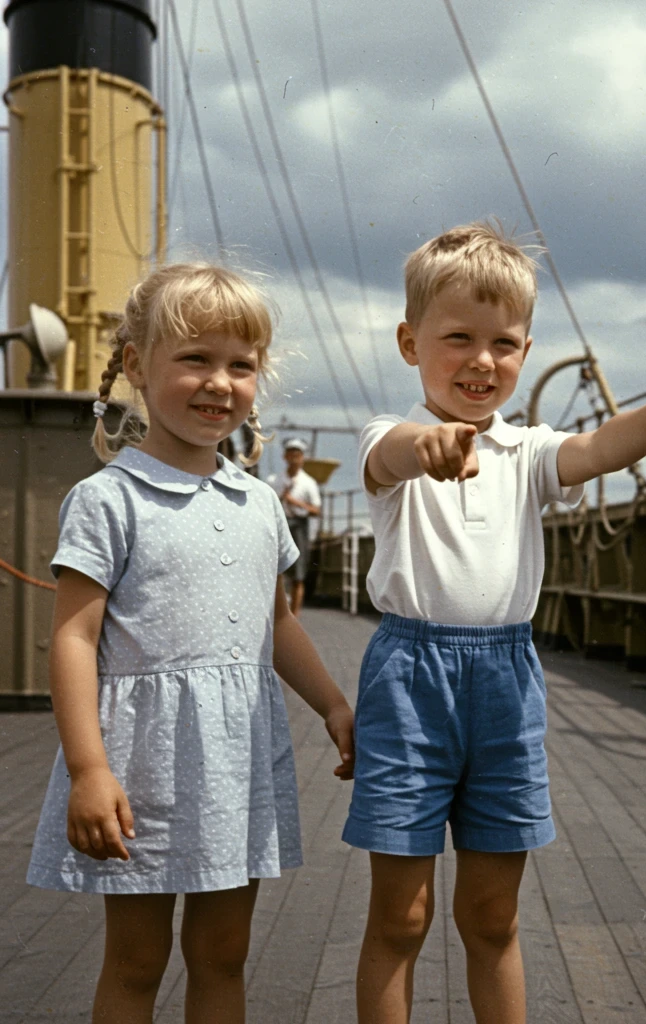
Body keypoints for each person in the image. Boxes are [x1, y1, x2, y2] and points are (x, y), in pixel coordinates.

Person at [346, 220, 646, 1023]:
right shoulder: (391, 438)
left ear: (525, 350)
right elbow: (395, 455)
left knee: (492, 915)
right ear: (410, 342)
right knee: (401, 917)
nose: (482, 361)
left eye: (505, 343)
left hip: (504, 680)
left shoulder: (527, 452)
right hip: (410, 678)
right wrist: (434, 445)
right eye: (458, 339)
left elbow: (592, 450)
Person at [26, 263, 355, 1024]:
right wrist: (87, 769)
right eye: (194, 359)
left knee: (223, 954)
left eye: (241, 365)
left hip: (235, 764)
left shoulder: (258, 501)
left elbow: (277, 624)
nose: (220, 382)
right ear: (138, 365)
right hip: (140, 765)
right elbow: (74, 638)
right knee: (137, 961)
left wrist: (334, 705)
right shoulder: (109, 499)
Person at [268, 438, 321, 616]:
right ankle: (276, 614)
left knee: (299, 574)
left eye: (297, 455)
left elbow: (316, 510)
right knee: (275, 572)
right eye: (290, 454)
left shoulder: (308, 483)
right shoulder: (274, 480)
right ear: (284, 456)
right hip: (279, 524)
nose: (293, 458)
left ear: (302, 458)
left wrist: (295, 502)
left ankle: (294, 618)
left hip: (299, 527)